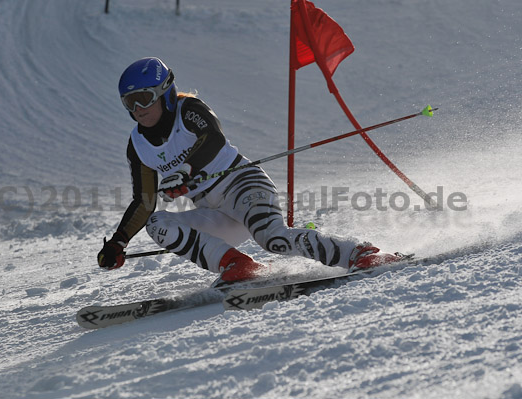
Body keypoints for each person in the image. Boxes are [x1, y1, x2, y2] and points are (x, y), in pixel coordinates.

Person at [97, 57, 403, 283]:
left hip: (244, 186)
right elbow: (145, 200)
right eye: (129, 102)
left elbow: (213, 138)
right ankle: (238, 266)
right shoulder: (137, 144)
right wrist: (118, 242)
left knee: (274, 240)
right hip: (215, 211)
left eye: (143, 98)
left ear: (164, 92)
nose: (137, 109)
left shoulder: (188, 109)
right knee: (157, 223)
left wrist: (186, 171)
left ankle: (360, 253)